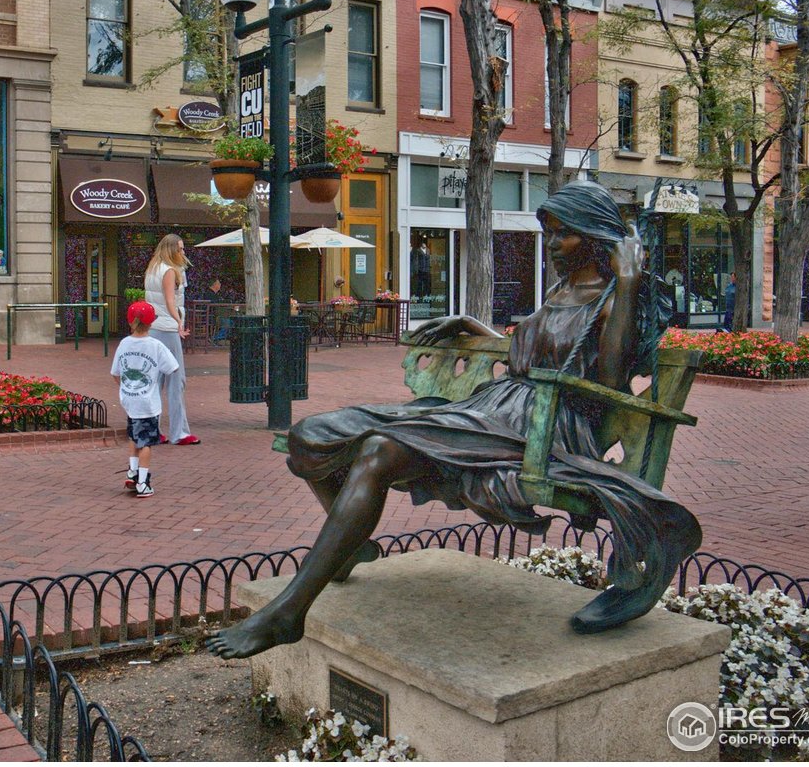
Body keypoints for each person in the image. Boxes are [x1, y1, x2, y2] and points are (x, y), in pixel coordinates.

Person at [206, 181, 702, 660]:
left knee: (377, 451)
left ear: (594, 237)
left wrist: (631, 279)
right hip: (491, 410)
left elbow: (609, 384)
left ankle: (288, 613)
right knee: (308, 435)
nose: (551, 243)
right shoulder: (561, 288)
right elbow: (536, 350)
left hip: (541, 427)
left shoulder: (615, 296)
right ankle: (348, 546)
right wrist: (474, 328)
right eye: (547, 231)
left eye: (562, 232)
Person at [111, 301, 180, 497]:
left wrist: (126, 387)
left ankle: (132, 472)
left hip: (129, 400)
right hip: (148, 402)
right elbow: (172, 367)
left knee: (134, 436)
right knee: (147, 443)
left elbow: (115, 373)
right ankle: (142, 482)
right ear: (151, 323)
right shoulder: (155, 345)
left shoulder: (124, 343)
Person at [144, 234, 200, 445]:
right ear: (171, 250)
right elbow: (170, 301)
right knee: (176, 380)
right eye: (180, 249)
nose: (183, 253)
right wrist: (179, 323)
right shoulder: (169, 270)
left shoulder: (153, 269)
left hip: (154, 328)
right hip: (167, 328)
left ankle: (152, 431)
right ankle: (180, 432)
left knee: (155, 381)